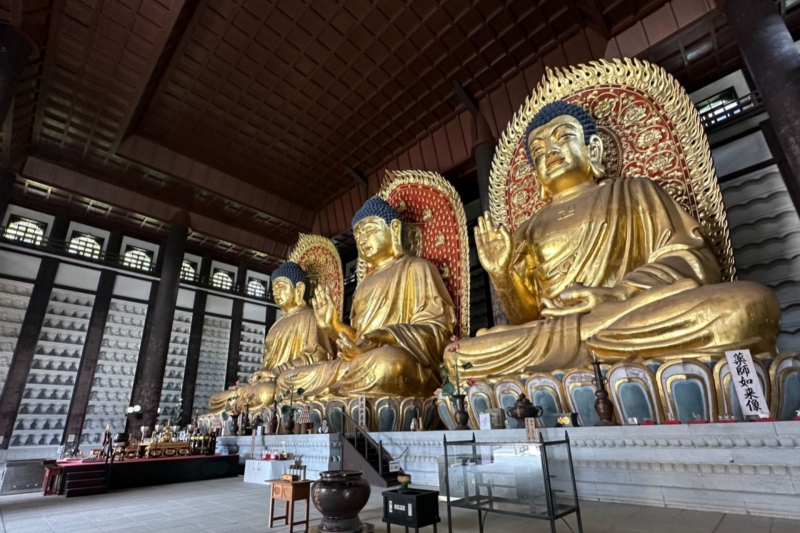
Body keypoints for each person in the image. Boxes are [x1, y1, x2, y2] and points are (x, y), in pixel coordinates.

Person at [445, 101, 781, 377]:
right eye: (538, 149)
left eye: (563, 137)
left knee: (745, 305)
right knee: (459, 357)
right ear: (536, 176)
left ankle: (574, 363)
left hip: (624, 317)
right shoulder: (526, 230)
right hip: (553, 335)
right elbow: (526, 319)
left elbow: (689, 258)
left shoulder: (635, 191)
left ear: (593, 149)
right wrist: (502, 275)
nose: (550, 151)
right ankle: (590, 355)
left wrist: (614, 294)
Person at [276, 197, 456, 398]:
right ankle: (342, 394)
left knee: (387, 364)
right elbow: (359, 339)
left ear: (394, 229)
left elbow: (438, 333)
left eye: (369, 230)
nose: (362, 239)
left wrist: (384, 336)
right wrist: (334, 328)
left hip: (399, 361)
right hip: (358, 364)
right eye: (357, 235)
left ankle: (336, 397)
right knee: (287, 380)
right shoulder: (362, 286)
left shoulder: (417, 268)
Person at [206, 262, 331, 413]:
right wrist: (259, 375)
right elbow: (268, 363)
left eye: (281, 287)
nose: (275, 293)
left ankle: (250, 409)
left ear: (299, 290)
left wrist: (275, 373)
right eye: (273, 289)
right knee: (216, 399)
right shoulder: (275, 326)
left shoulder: (309, 316)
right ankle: (243, 407)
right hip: (268, 383)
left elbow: (316, 357)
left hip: (284, 381)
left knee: (267, 393)